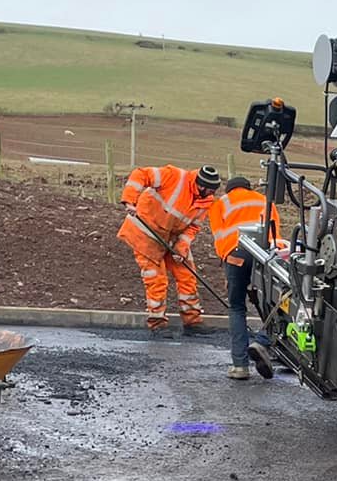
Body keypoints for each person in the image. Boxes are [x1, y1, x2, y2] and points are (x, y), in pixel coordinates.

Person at [118, 162, 218, 335]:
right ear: (200, 184)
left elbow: (193, 227)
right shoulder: (174, 176)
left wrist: (181, 248)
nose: (211, 194)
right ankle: (157, 322)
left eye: (213, 191)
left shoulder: (206, 200)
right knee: (156, 278)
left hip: (172, 238)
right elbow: (140, 174)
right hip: (145, 233)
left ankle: (192, 321)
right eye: (208, 190)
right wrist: (129, 200)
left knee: (187, 275)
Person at [202, 177, 276, 379]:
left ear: (229, 189)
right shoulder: (264, 199)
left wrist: (228, 267)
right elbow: (273, 233)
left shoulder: (220, 204)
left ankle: (240, 367)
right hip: (263, 256)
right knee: (275, 306)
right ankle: (262, 342)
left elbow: (219, 238)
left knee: (236, 307)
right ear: (248, 188)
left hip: (235, 256)